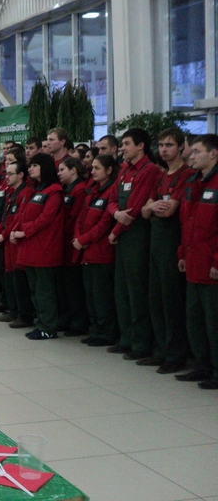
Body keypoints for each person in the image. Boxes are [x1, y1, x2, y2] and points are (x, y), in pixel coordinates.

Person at [140, 128, 193, 374]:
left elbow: (170, 210)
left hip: (172, 242)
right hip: (156, 242)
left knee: (171, 300)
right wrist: (152, 207)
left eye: (169, 145)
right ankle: (161, 349)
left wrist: (153, 207)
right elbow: (144, 211)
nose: (163, 149)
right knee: (156, 298)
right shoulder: (162, 176)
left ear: (181, 146)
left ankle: (176, 354)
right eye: (161, 144)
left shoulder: (186, 174)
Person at [107, 128, 160, 360]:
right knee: (122, 290)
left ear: (140, 145)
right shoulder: (124, 170)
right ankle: (126, 338)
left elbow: (136, 207)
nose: (122, 148)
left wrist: (115, 230)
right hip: (121, 233)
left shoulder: (149, 170)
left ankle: (141, 343)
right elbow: (112, 200)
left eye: (127, 143)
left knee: (137, 291)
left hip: (136, 235)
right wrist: (115, 214)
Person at [177, 134, 218, 389]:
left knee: (214, 321)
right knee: (195, 319)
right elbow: (187, 222)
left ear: (213, 153)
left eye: (197, 151)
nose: (192, 156)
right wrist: (182, 253)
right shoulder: (193, 182)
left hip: (211, 264)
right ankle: (202, 366)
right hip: (193, 260)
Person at [12, 153, 64, 340]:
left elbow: (45, 219)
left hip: (45, 246)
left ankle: (48, 327)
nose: (30, 168)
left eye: (34, 165)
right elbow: (23, 213)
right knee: (35, 289)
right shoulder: (34, 189)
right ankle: (41, 323)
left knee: (44, 291)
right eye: (30, 165)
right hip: (30, 246)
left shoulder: (54, 191)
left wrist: (24, 231)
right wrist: (16, 230)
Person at [74, 154, 120, 347]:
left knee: (102, 296)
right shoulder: (93, 191)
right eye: (92, 168)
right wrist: (78, 238)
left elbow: (104, 224)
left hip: (101, 252)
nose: (92, 171)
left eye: (97, 168)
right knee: (91, 295)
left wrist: (84, 239)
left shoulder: (111, 191)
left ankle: (107, 332)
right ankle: (96, 329)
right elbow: (81, 217)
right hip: (86, 251)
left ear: (109, 170)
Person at [0, 159, 34, 328]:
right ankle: (13, 309)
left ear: (21, 175)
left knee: (19, 280)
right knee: (10, 277)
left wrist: (3, 234)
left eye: (10, 174)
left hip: (16, 241)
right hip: (7, 241)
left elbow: (17, 219)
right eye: (6, 173)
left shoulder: (25, 193)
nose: (7, 177)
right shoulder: (11, 192)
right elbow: (5, 216)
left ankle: (24, 315)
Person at [56, 156, 89, 336]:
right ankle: (66, 318)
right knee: (64, 285)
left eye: (62, 170)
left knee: (73, 286)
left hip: (72, 243)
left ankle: (78, 322)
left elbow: (75, 218)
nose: (59, 173)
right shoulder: (66, 189)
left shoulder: (80, 190)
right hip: (63, 242)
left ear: (73, 170)